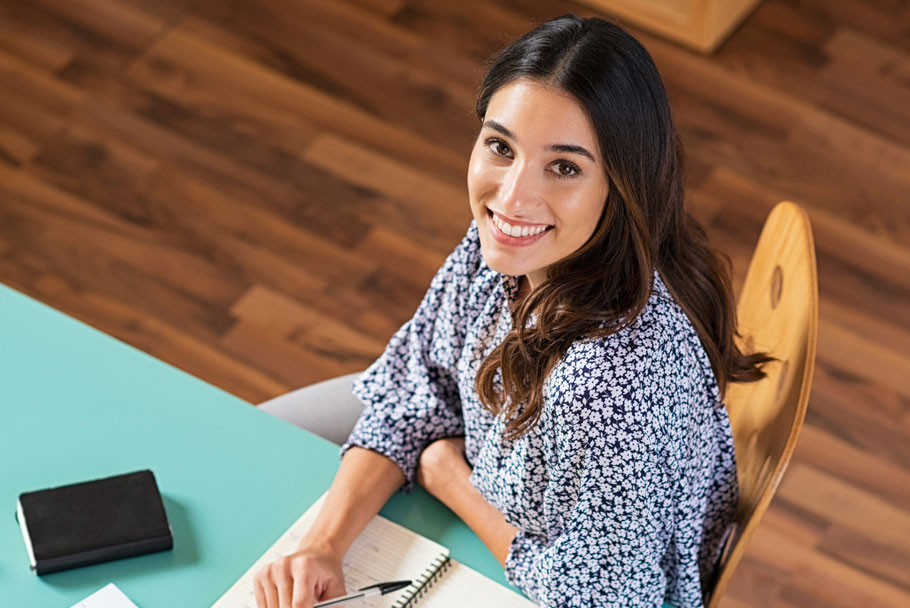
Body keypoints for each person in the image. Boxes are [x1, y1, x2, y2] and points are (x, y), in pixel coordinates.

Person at [253, 14, 770, 608]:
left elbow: (602, 600)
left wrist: (452, 479)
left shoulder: (618, 378)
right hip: (501, 488)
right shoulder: (507, 246)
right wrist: (323, 545)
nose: (512, 197)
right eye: (501, 146)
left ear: (623, 185)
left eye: (565, 166)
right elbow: (416, 387)